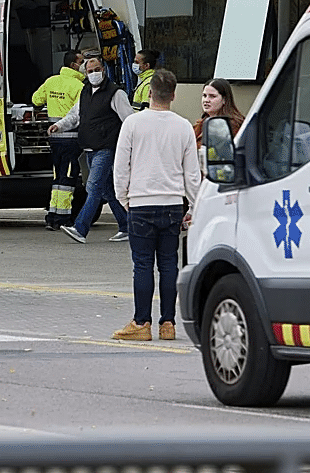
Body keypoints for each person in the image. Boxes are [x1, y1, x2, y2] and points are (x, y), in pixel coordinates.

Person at [112, 69, 200, 342]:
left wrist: (123, 198)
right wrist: (194, 206)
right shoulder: (183, 126)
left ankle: (141, 322)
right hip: (172, 203)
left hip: (141, 202)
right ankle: (168, 323)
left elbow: (120, 167)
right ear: (173, 95)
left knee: (142, 264)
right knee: (168, 264)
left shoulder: (133, 124)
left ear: (149, 93)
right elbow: (192, 174)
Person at [48, 55, 133, 244]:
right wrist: (59, 126)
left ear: (103, 70)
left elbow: (129, 119)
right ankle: (127, 226)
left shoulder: (115, 93)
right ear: (85, 74)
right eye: (90, 71)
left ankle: (80, 228)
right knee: (107, 190)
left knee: (93, 187)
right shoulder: (85, 92)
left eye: (97, 70)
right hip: (89, 148)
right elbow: (75, 115)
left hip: (106, 147)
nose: (94, 74)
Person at [31, 50, 85, 230]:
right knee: (67, 179)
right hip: (72, 139)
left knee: (57, 177)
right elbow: (80, 113)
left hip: (54, 139)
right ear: (73, 65)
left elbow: (36, 99)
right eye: (82, 62)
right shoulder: (79, 86)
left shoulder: (51, 81)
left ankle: (53, 216)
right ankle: (62, 218)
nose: (84, 66)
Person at [192, 78, 245, 146]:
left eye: (212, 96)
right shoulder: (199, 125)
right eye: (204, 96)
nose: (206, 100)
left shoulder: (233, 126)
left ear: (224, 100)